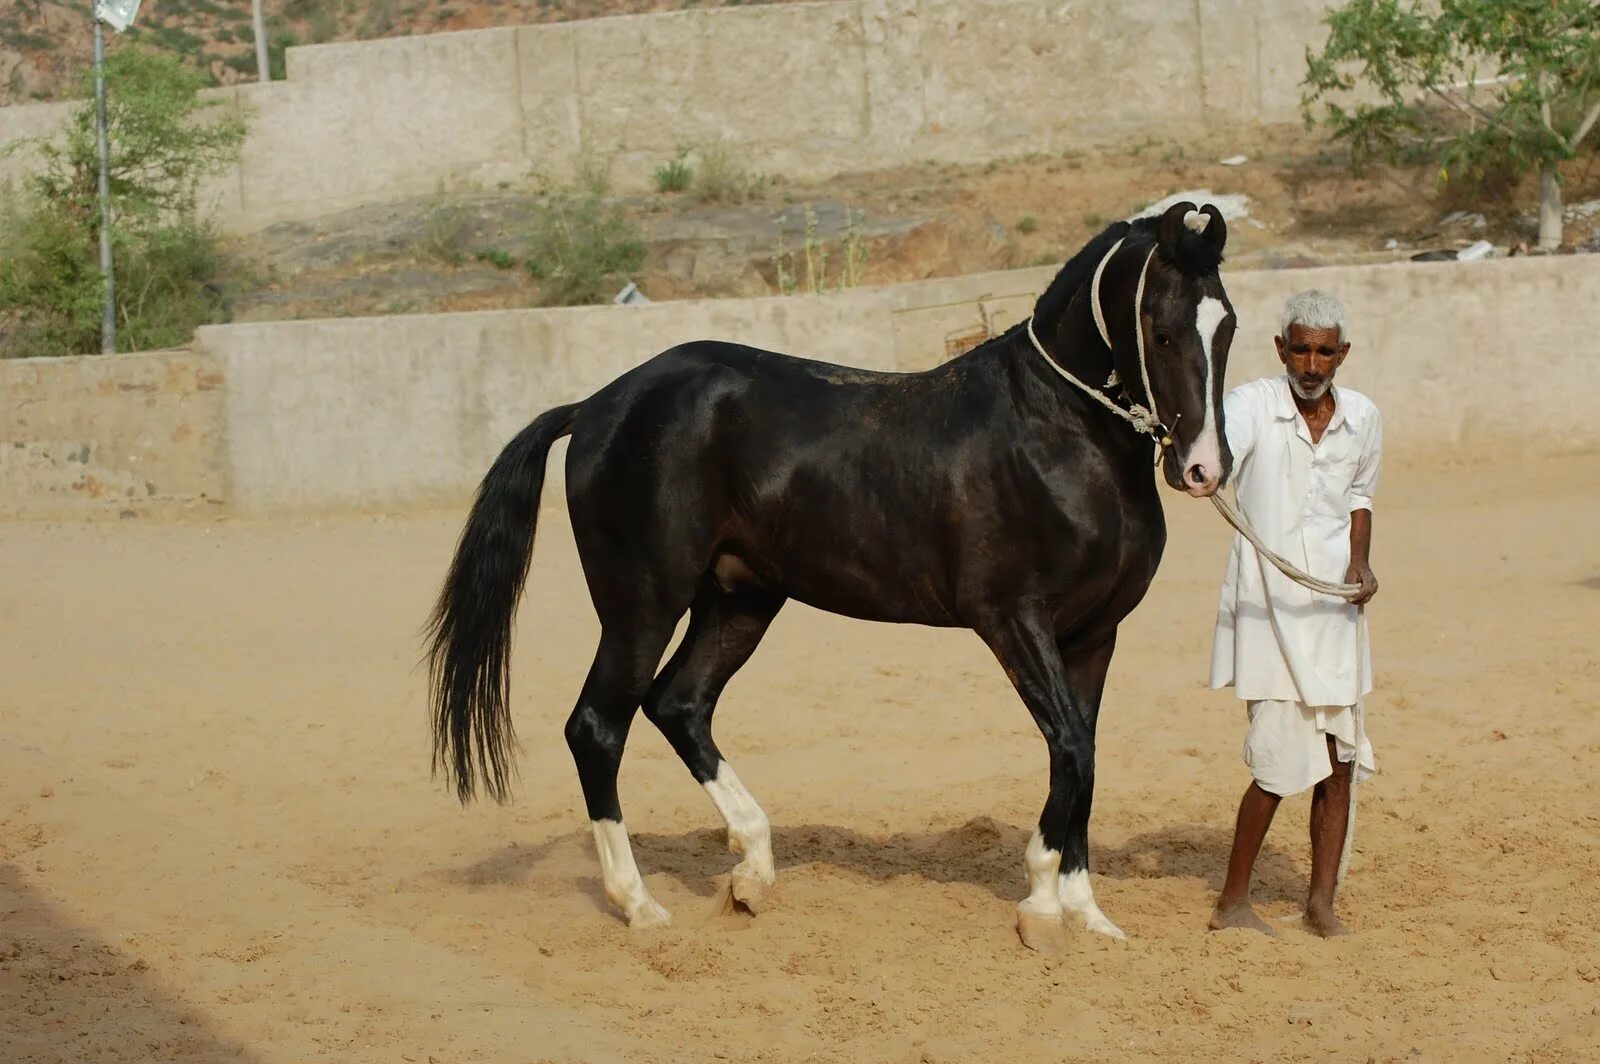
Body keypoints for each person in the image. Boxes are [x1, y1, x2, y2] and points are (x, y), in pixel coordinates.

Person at [1207, 288, 1381, 938]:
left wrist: (1360, 563)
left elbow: (1361, 494)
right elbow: (1220, 445)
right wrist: (1203, 460)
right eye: (1300, 349)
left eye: (1324, 352)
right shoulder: (1252, 404)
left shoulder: (1363, 417)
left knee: (1338, 765)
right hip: (1270, 613)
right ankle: (1231, 902)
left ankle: (1320, 904)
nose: (1311, 364)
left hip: (1335, 614)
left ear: (1342, 354)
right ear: (1281, 348)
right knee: (1279, 766)